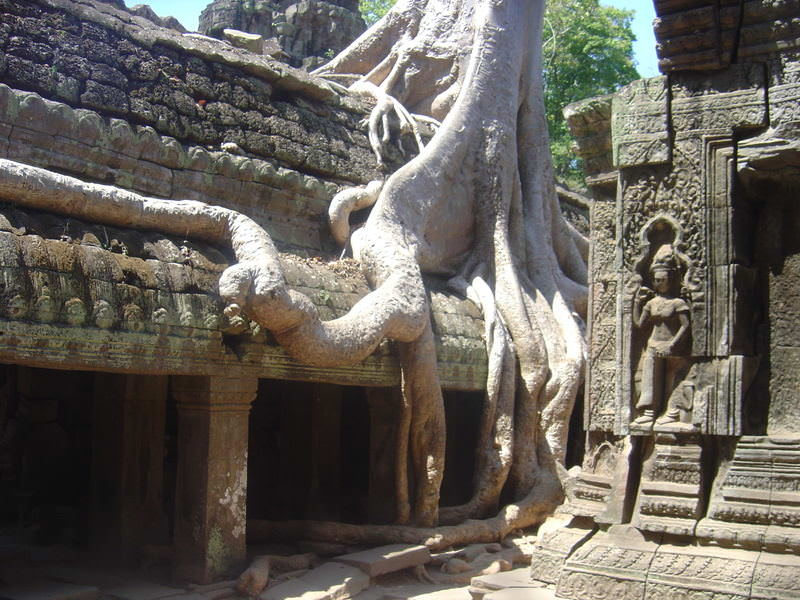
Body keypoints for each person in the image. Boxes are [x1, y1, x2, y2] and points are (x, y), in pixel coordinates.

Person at [631, 244, 691, 426]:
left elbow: (686, 326)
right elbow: (639, 324)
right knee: (649, 379)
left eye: (663, 280)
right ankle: (649, 412)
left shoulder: (677, 303)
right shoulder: (652, 303)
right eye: (656, 280)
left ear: (671, 279)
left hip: (672, 345)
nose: (659, 283)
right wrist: (636, 303)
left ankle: (672, 412)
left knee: (673, 378)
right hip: (653, 343)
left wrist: (673, 344)